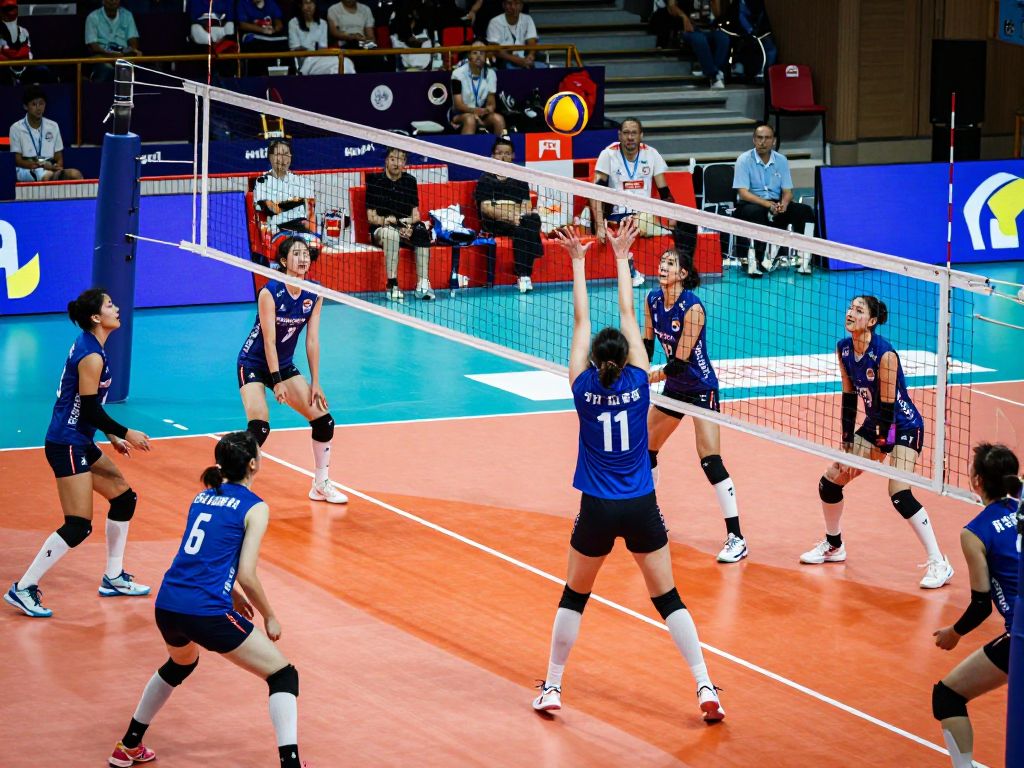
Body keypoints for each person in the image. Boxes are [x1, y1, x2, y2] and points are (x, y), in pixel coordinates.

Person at [531, 218, 725, 723]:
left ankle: (552, 686)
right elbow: (624, 311)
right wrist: (621, 256)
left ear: (594, 361)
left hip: (596, 508)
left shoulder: (581, 389)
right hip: (642, 506)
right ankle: (705, 685)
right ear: (627, 359)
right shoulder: (641, 383)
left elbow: (579, 323)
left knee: (575, 594)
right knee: (669, 597)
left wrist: (577, 261)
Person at [107, 431, 304, 768]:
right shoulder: (255, 507)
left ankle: (128, 745)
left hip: (168, 604)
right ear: (253, 464)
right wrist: (269, 614)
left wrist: (233, 595)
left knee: (180, 663)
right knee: (283, 675)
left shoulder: (202, 497)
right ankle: (290, 763)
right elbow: (246, 572)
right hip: (205, 611)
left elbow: (201, 558)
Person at [4, 289, 151, 619]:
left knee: (124, 498)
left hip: (79, 439)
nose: (117, 308)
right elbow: (88, 408)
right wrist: (126, 431)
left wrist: (111, 435)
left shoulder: (93, 345)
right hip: (66, 443)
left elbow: (90, 407)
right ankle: (23, 588)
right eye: (110, 305)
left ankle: (113, 578)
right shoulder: (92, 356)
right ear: (96, 318)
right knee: (78, 525)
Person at [799, 295, 954, 589]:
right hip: (876, 423)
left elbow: (887, 409)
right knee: (831, 480)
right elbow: (848, 396)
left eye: (859, 310)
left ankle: (939, 562)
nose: (850, 313)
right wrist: (847, 441)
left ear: (871, 321)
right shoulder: (843, 348)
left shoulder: (885, 355)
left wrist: (881, 447)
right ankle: (834, 545)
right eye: (850, 307)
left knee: (898, 492)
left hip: (904, 425)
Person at [644, 248, 747, 563]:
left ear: (683, 273)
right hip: (675, 389)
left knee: (710, 461)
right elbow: (647, 344)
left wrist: (647, 378)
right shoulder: (651, 300)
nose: (663, 266)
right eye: (662, 261)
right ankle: (650, 517)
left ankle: (737, 538)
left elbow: (678, 362)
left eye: (670, 263)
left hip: (701, 388)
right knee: (645, 449)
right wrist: (635, 368)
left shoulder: (693, 308)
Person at [237, 237, 347, 504]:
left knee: (324, 420)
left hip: (284, 365)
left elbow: (312, 340)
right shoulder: (270, 292)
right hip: (252, 363)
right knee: (260, 427)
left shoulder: (314, 292)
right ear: (284, 262)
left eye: (306, 253)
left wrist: (316, 382)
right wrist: (276, 381)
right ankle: (232, 481)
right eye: (296, 254)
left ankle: (320, 484)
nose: (303, 258)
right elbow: (269, 341)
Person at [931, 443, 1020, 768]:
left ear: (977, 480)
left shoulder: (975, 533)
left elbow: (982, 604)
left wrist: (953, 633)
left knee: (947, 695)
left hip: (1021, 636)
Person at [591, 117, 678, 288]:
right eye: (626, 133)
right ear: (619, 135)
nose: (630, 137)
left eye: (634, 133)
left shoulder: (651, 154)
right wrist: (600, 225)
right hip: (617, 214)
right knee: (630, 224)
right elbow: (595, 192)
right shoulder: (608, 154)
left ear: (641, 135)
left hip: (643, 214)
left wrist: (672, 216)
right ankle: (630, 267)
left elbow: (664, 192)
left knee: (681, 227)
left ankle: (678, 266)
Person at [732, 122, 816, 277]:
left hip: (776, 202)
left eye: (767, 138)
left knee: (804, 211)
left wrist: (783, 205)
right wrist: (767, 205)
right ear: (753, 140)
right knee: (756, 213)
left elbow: (788, 191)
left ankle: (805, 259)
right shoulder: (743, 160)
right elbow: (743, 193)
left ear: (774, 141)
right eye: (759, 138)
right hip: (751, 203)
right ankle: (756, 260)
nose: (763, 142)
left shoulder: (781, 160)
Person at [364, 147, 435, 302]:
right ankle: (392, 285)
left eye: (401, 159)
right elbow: (371, 217)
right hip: (381, 230)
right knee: (391, 234)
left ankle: (423, 285)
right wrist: (385, 221)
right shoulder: (375, 181)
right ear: (386, 161)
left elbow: (415, 214)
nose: (397, 163)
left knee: (422, 231)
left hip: (404, 227)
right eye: (393, 159)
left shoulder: (410, 181)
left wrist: (408, 225)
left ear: (405, 163)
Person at [475, 136, 542, 293]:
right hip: (494, 223)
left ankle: (524, 276)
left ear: (513, 156)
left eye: (507, 153)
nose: (503, 157)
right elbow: (486, 209)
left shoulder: (519, 179)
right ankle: (528, 267)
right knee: (525, 228)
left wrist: (518, 217)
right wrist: (510, 216)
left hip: (518, 220)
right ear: (492, 156)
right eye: (499, 153)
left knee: (533, 219)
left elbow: (527, 206)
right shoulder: (486, 179)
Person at [9, 85, 82, 182]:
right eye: (34, 104)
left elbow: (58, 157)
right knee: (47, 176)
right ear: (25, 106)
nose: (38, 108)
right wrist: (40, 165)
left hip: (49, 168)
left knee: (75, 174)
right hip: (27, 169)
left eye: (41, 103)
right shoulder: (16, 128)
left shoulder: (53, 126)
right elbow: (18, 160)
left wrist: (57, 166)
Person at [254, 139, 315, 238]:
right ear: (271, 157)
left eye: (286, 154)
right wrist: (297, 201)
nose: (283, 159)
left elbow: (310, 213)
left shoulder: (301, 181)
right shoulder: (262, 181)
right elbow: (273, 209)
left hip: (301, 230)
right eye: (279, 154)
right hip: (276, 230)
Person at [450, 39, 505, 134]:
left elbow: (491, 103)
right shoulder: (457, 74)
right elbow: (458, 105)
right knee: (470, 120)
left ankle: (500, 147)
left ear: (486, 56)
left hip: (481, 113)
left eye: (482, 53)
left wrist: (486, 111)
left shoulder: (491, 74)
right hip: (461, 114)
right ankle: (465, 149)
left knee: (498, 119)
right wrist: (474, 112)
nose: (478, 56)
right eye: (475, 53)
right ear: (469, 56)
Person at [289, 0, 354, 75]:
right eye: (306, 3)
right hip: (306, 61)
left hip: (321, 57)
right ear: (300, 5)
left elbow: (323, 47)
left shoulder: (323, 23)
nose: (309, 6)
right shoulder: (293, 23)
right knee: (337, 66)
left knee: (346, 61)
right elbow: (295, 48)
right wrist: (311, 51)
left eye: (312, 3)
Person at [85, 0, 141, 82]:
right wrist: (111, 55)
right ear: (103, 1)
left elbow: (133, 41)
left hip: (123, 55)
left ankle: (125, 94)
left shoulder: (127, 15)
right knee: (106, 69)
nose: (112, 1)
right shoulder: (93, 17)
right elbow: (93, 46)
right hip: (103, 56)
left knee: (127, 67)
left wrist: (132, 50)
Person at [0, 0, 51, 85]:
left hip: (23, 67)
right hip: (4, 70)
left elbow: (27, 53)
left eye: (13, 9)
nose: (11, 13)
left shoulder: (23, 31)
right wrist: (16, 56)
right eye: (7, 9)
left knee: (43, 70)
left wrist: (11, 55)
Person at [485, 0, 545, 69]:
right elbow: (495, 49)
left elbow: (532, 42)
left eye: (517, 3)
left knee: (540, 65)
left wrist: (530, 56)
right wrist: (517, 60)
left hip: (524, 57)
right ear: (503, 5)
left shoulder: (527, 19)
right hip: (504, 58)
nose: (513, 7)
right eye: (509, 3)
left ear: (521, 6)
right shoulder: (494, 22)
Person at [237, 0, 289, 76]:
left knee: (284, 41)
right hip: (253, 36)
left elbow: (278, 21)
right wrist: (262, 30)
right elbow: (242, 24)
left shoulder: (271, 3)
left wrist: (276, 28)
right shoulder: (243, 3)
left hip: (270, 35)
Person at [326, 0, 376, 71]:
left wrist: (365, 40)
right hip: (345, 43)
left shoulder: (366, 9)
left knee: (375, 50)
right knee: (358, 55)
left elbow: (371, 37)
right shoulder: (333, 9)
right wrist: (352, 37)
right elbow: (334, 32)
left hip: (362, 42)